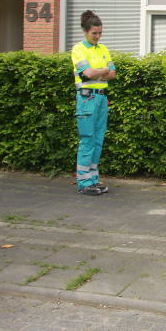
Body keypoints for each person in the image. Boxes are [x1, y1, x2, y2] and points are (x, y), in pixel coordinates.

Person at [71, 10, 116, 196]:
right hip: (87, 98)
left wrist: (97, 72)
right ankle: (84, 182)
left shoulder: (103, 49)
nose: (97, 36)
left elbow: (112, 74)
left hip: (101, 98)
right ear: (85, 31)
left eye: (100, 33)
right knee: (88, 139)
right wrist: (103, 70)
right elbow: (87, 73)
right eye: (94, 33)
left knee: (98, 140)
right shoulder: (78, 49)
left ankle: (93, 179)